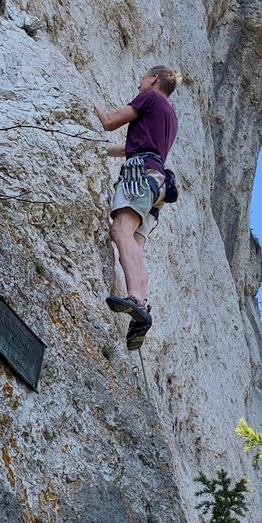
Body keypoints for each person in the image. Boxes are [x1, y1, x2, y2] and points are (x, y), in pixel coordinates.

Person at [93, 66, 182, 350]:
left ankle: (135, 300)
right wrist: (100, 149)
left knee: (120, 231)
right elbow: (135, 145)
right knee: (133, 243)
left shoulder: (150, 99)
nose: (140, 81)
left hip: (139, 175)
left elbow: (109, 122)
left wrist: (92, 105)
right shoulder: (170, 115)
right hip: (158, 185)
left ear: (154, 79)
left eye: (144, 77)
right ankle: (141, 305)